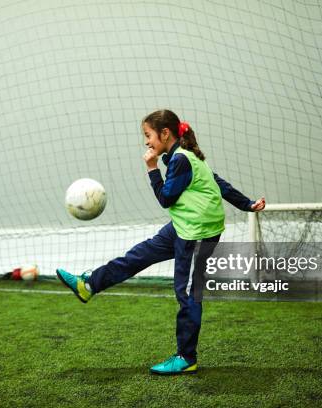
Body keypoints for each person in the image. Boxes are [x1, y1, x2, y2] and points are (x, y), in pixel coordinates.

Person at [56, 109, 265, 375]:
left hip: (198, 233)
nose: (146, 142)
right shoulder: (183, 157)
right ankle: (88, 285)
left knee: (187, 293)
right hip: (183, 226)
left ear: (165, 133)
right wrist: (247, 203)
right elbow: (219, 183)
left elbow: (167, 198)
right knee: (139, 255)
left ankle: (186, 357)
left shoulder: (181, 160)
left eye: (148, 135)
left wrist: (152, 169)